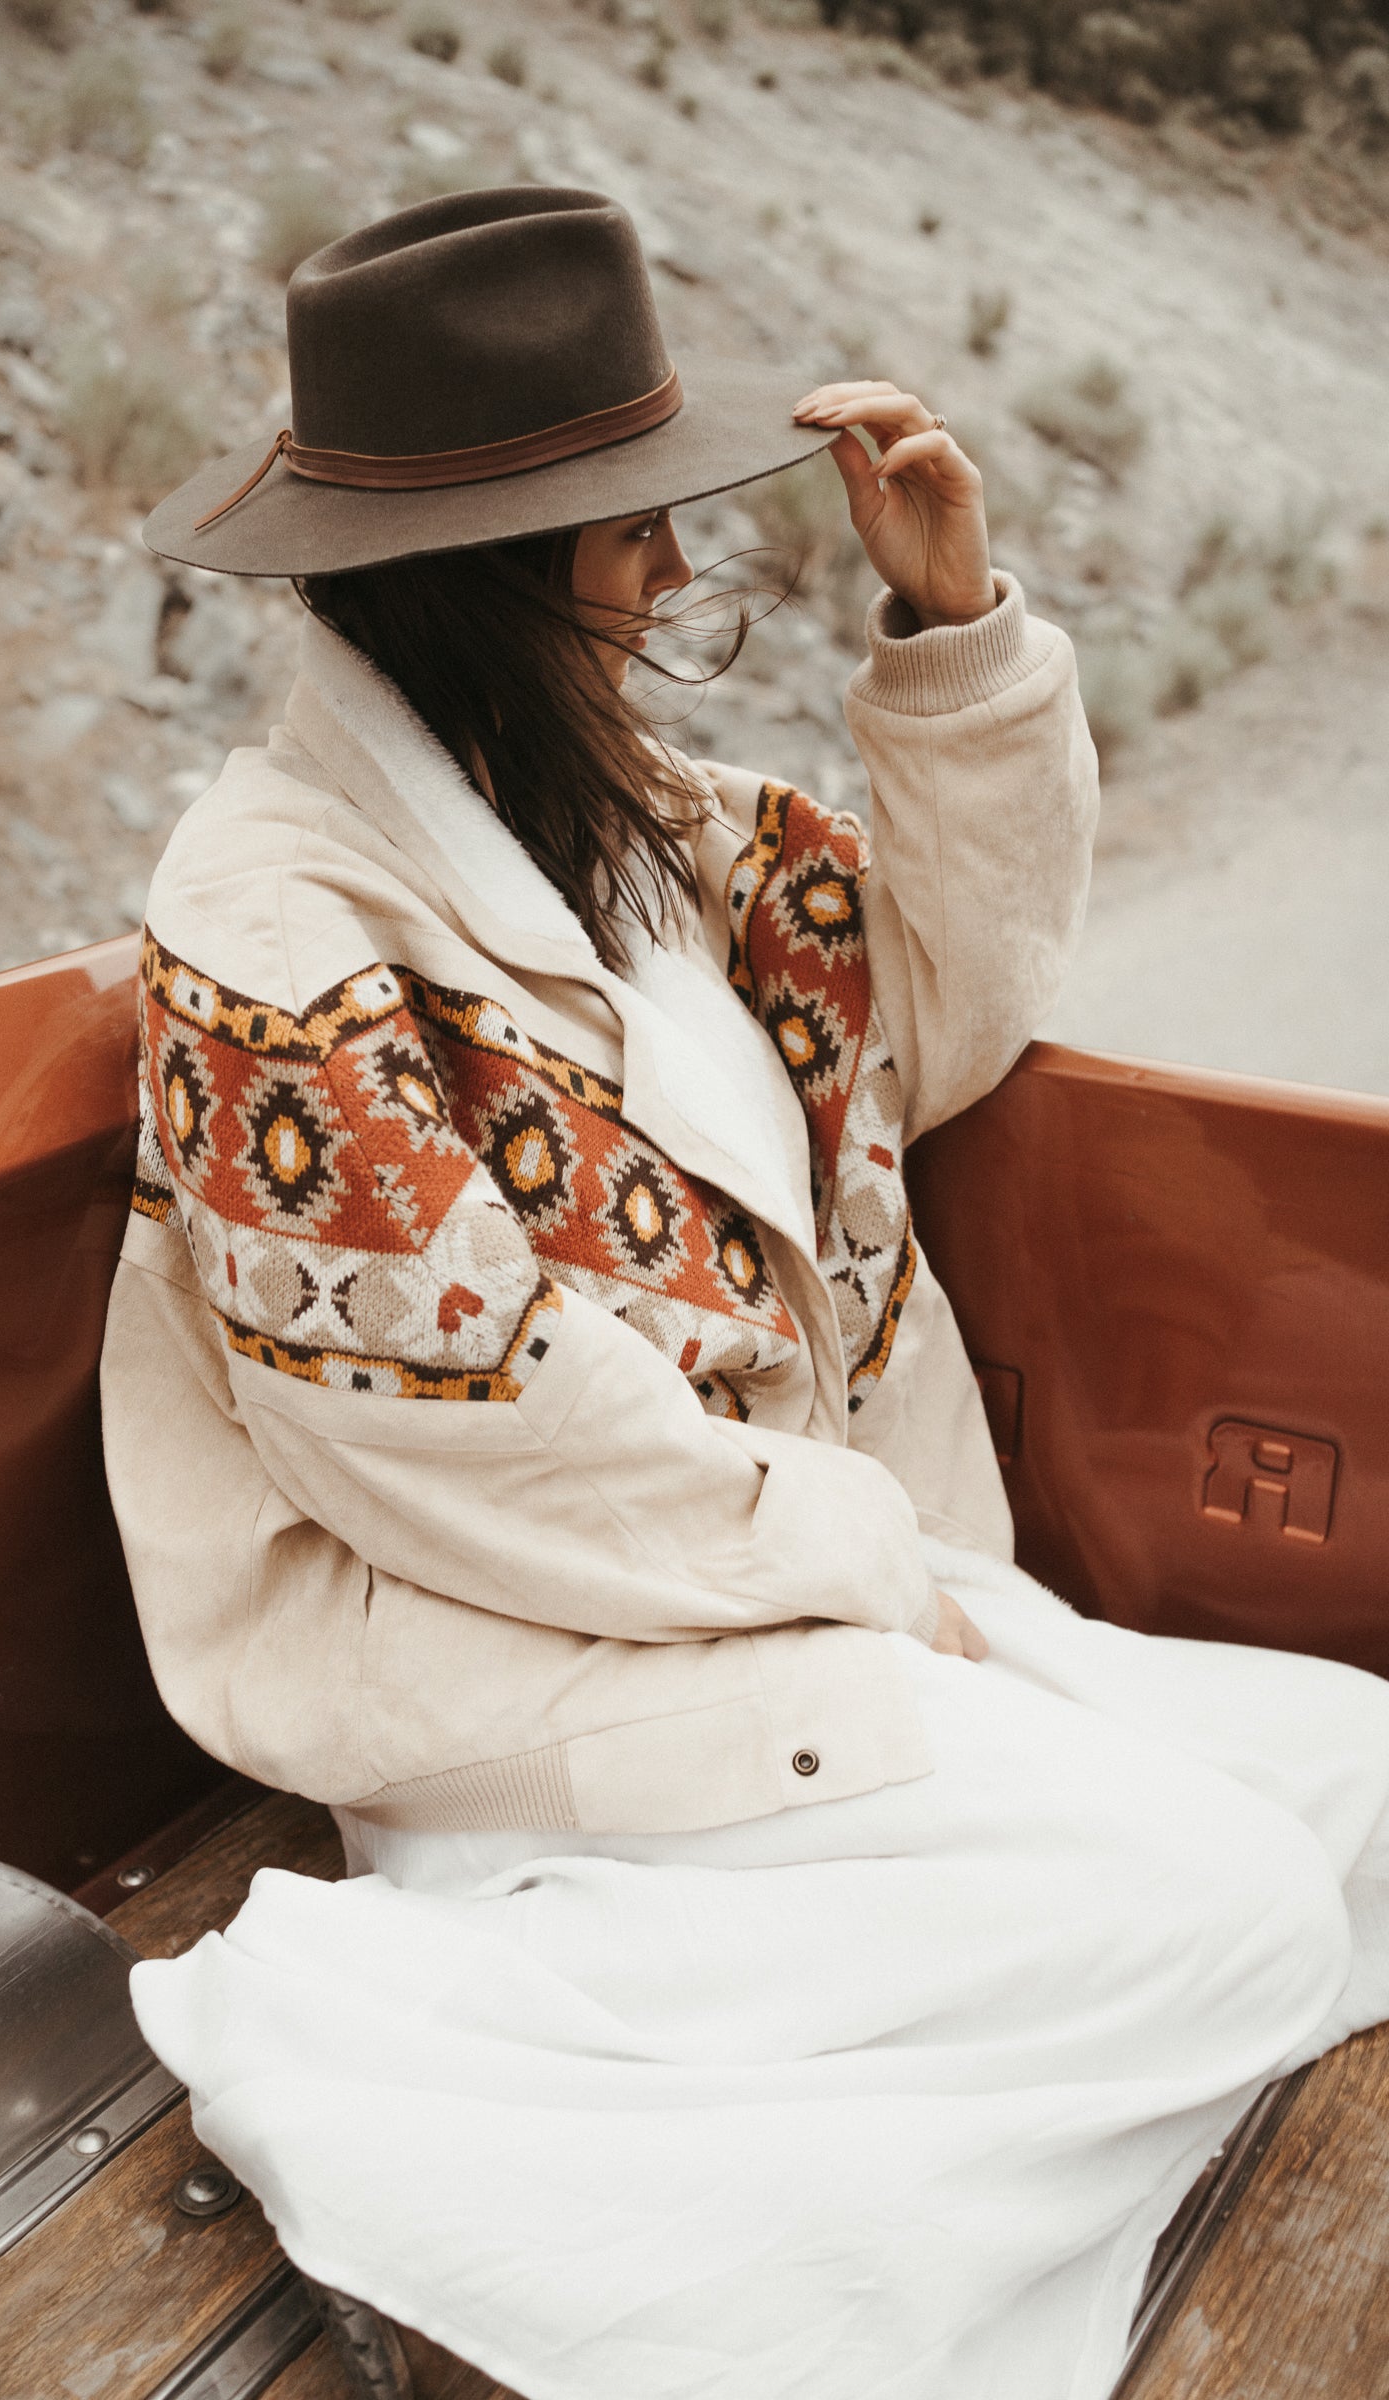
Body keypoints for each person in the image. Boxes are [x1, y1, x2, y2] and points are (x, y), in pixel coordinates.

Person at [103, 186, 1389, 2400]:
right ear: (479, 568)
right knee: (1241, 1915)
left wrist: (955, 636)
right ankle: (454, 2045)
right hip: (537, 1638)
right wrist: (870, 1565)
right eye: (625, 533)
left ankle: (852, 2097)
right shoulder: (268, 938)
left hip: (773, 1596)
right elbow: (460, 1443)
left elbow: (936, 1018)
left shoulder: (656, 828)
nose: (672, 576)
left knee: (1361, 1786)